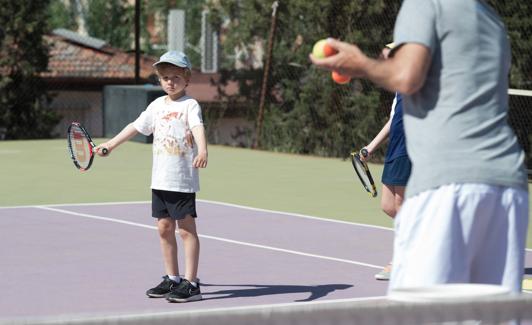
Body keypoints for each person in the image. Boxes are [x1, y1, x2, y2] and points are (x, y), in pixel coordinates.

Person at [310, 0, 528, 293]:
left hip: (452, 184)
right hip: (506, 183)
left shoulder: (426, 5)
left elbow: (406, 77)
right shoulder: (492, 21)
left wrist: (360, 64)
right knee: (489, 313)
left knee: (423, 311)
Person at [96, 50, 208, 302]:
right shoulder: (156, 106)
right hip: (160, 179)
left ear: (187, 79)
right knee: (164, 228)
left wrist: (203, 149)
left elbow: (197, 128)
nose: (170, 81)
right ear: (159, 80)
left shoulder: (190, 105)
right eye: (165, 77)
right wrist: (110, 145)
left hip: (181, 180)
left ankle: (191, 284)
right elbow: (135, 127)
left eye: (176, 77)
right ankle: (173, 278)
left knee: (186, 230)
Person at [361, 44, 411, 281]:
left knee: (401, 206)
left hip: (410, 149)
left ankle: (401, 261)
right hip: (394, 148)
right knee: (387, 206)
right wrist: (371, 146)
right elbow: (393, 121)